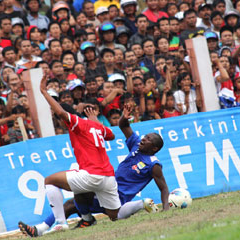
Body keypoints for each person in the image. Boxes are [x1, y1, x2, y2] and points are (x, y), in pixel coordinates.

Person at [18, 102, 169, 237]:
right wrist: (124, 116)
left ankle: (137, 205)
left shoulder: (153, 164)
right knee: (76, 201)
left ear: (154, 148)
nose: (144, 139)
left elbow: (163, 187)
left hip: (119, 195)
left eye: (148, 139)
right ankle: (50, 227)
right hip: (108, 186)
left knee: (79, 204)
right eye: (145, 136)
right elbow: (123, 126)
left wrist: (166, 208)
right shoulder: (136, 145)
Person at [20, 77, 122, 235]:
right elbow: (111, 136)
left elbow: (60, 112)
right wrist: (96, 122)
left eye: (59, 120)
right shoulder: (95, 125)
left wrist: (44, 92)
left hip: (92, 174)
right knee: (115, 216)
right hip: (108, 177)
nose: (60, 121)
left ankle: (61, 223)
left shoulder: (77, 123)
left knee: (49, 181)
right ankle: (141, 205)